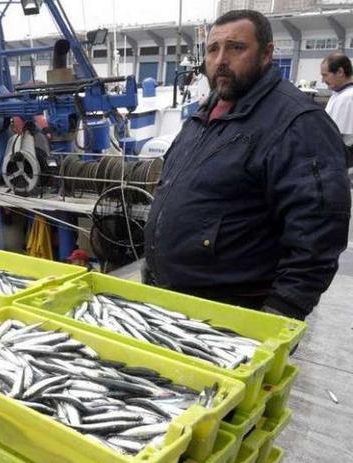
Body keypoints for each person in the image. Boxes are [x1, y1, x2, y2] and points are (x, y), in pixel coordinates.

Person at [143, 10, 351, 321]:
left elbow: (318, 233)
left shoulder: (297, 124)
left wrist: (282, 312)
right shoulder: (207, 113)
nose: (221, 60)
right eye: (213, 50)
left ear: (266, 54)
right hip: (172, 300)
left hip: (232, 312)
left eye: (236, 48)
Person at [321, 52, 353, 144]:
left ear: (340, 72)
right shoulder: (339, 94)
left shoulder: (347, 98)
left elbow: (335, 137)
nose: (322, 81)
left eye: (325, 75)